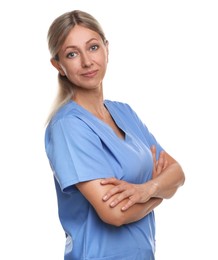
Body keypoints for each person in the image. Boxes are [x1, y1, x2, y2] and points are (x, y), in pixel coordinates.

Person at [44, 10, 185, 260]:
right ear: (59, 66)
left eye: (94, 47)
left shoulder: (124, 112)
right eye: (72, 54)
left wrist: (146, 189)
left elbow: (177, 174)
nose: (87, 62)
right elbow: (114, 214)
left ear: (107, 49)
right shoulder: (68, 126)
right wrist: (159, 195)